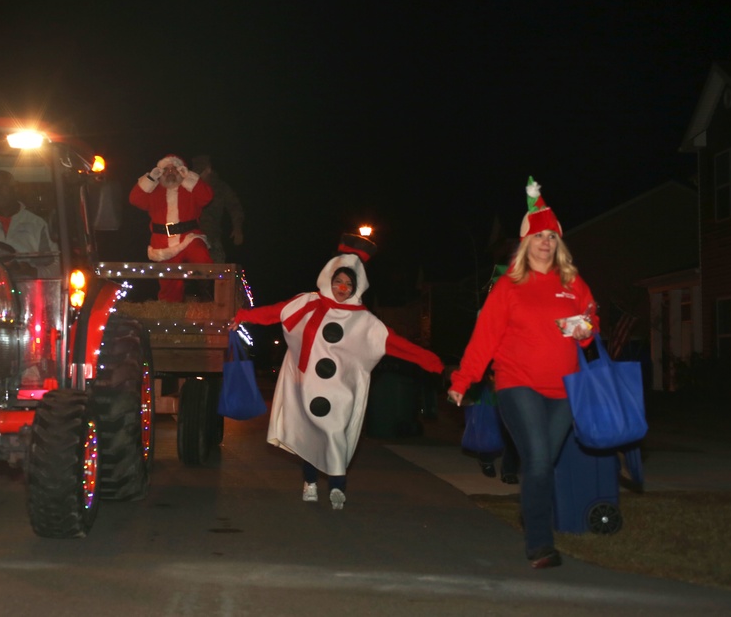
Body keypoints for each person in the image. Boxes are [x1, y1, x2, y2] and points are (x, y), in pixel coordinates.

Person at [447, 176, 598, 570]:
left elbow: (589, 328)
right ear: (526, 241)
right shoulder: (509, 286)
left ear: (559, 242)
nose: (546, 242)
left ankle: (531, 510)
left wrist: (583, 328)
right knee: (538, 459)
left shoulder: (573, 283)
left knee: (542, 463)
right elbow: (485, 337)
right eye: (539, 235)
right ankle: (540, 544)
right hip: (518, 383)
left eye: (552, 236)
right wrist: (463, 380)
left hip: (564, 389)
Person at [229, 234, 444, 510]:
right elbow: (274, 313)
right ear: (329, 279)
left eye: (348, 284)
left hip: (340, 391)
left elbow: (394, 344)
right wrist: (243, 316)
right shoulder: (308, 303)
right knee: (310, 434)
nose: (342, 288)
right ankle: (310, 483)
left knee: (334, 434)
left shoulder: (364, 320)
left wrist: (432, 362)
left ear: (357, 286)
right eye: (338, 281)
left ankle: (337, 487)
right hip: (306, 387)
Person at [129, 155, 214, 302]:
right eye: (166, 169)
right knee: (169, 285)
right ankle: (170, 309)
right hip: (163, 243)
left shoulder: (190, 188)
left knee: (205, 263)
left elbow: (207, 197)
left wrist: (189, 177)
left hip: (189, 237)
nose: (170, 172)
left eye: (174, 169)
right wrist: (150, 178)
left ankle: (211, 297)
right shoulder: (154, 190)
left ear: (180, 171)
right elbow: (135, 199)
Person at [191, 155, 244, 263]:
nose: (198, 176)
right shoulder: (189, 186)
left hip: (212, 235)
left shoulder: (221, 187)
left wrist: (237, 228)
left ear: (208, 170)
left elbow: (235, 207)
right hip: (191, 236)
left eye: (200, 172)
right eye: (196, 172)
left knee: (217, 266)